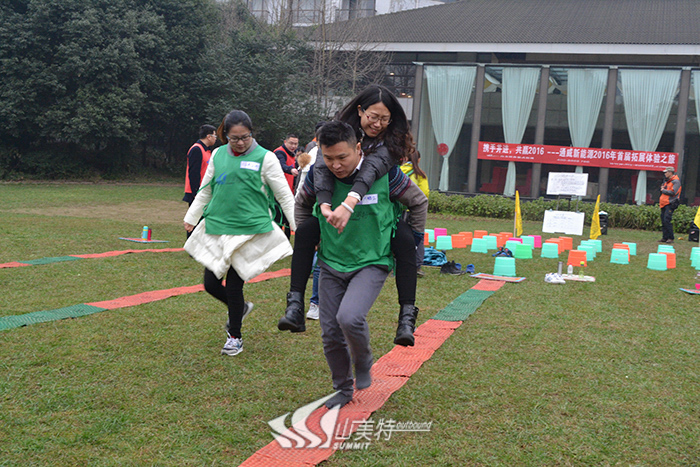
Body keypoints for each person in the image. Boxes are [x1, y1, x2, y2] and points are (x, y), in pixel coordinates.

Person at [278, 85, 426, 348]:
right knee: (307, 229)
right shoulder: (336, 135)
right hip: (335, 220)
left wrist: (415, 238)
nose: (378, 124)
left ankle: (406, 316)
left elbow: (372, 171)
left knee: (404, 240)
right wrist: (322, 213)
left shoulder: (389, 145)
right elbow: (321, 171)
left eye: (385, 118)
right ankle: (295, 304)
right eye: (373, 116)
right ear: (360, 111)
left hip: (376, 216)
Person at [298, 121, 427, 408]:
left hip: (372, 262)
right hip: (331, 263)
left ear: (358, 148)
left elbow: (419, 201)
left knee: (350, 317)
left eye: (342, 157)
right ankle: (343, 389)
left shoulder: (386, 175)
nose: (336, 165)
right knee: (330, 332)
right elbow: (301, 202)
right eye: (328, 158)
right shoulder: (320, 176)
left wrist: (412, 241)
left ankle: (364, 360)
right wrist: (309, 233)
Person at [183, 110, 296, 356]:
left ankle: (235, 336)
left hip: (248, 230)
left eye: (245, 137)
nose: (241, 142)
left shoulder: (266, 158)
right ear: (225, 136)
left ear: (251, 134)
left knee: (234, 285)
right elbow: (206, 189)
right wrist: (191, 217)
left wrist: (296, 223)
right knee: (210, 284)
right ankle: (241, 307)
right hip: (218, 226)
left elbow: (284, 195)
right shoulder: (218, 155)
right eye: (234, 138)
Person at [400, 150, 430, 276]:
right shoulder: (420, 174)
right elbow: (425, 193)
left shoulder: (399, 171)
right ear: (418, 160)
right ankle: (416, 266)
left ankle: (395, 265)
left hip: (399, 210)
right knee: (418, 237)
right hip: (415, 211)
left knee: (398, 236)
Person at [183, 125, 217, 206]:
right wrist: (196, 193)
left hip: (204, 191)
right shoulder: (197, 149)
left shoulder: (207, 151)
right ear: (209, 137)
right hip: (197, 192)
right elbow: (194, 173)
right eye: (215, 136)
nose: (216, 138)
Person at [273, 134, 299, 238]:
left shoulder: (293, 154)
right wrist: (290, 170)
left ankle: (287, 241)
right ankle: (276, 241)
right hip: (278, 192)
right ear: (285, 142)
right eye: (291, 143)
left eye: (295, 144)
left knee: (288, 219)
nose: (293, 146)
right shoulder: (279, 152)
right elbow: (281, 165)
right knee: (278, 219)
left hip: (288, 191)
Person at [659, 166, 682, 243]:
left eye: (666, 172)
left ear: (670, 172)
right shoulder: (667, 181)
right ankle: (665, 237)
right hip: (664, 203)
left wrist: (663, 190)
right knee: (663, 220)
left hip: (670, 203)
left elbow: (673, 192)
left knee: (667, 220)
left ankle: (670, 238)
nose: (665, 173)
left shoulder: (676, 182)